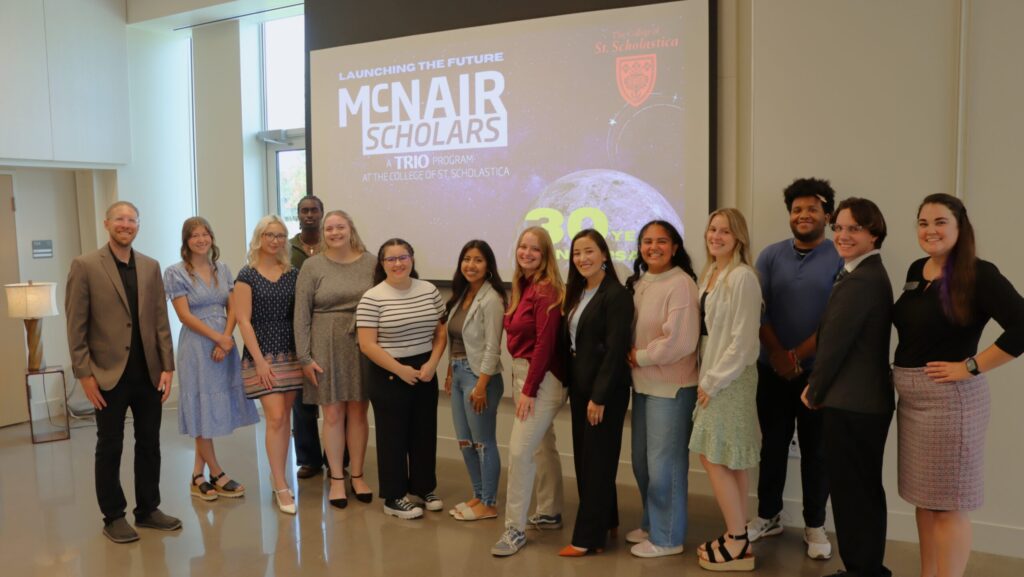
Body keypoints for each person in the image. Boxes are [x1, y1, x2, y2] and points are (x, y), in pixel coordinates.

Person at [892, 194, 1024, 577]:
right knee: (924, 500)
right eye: (923, 223)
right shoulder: (918, 269)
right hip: (912, 403)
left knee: (948, 504)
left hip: (951, 404)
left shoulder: (979, 274)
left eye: (940, 222)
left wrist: (971, 366)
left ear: (960, 227)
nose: (929, 230)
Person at [65, 200, 181, 543]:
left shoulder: (150, 266)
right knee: (110, 445)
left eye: (132, 219)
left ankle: (148, 509)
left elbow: (160, 320)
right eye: (119, 219)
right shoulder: (85, 265)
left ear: (138, 226)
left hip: (148, 374)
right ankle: (113, 516)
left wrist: (167, 366)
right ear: (107, 223)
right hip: (106, 375)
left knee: (149, 443)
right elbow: (76, 325)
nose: (126, 224)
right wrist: (84, 374)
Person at [748, 178, 840, 560]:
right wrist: (778, 355)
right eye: (797, 209)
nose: (804, 215)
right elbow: (757, 309)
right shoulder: (770, 256)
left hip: (820, 374)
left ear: (827, 216)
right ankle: (768, 515)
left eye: (812, 209)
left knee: (818, 452)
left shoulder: (840, 256)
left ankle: (815, 525)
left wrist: (797, 358)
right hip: (773, 371)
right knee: (772, 446)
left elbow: (837, 318)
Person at [802, 197, 894, 577]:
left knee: (854, 493)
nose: (842, 235)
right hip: (861, 402)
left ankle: (863, 570)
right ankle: (864, 568)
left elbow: (834, 343)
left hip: (854, 403)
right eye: (838, 227)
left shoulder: (862, 280)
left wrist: (814, 389)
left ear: (874, 234)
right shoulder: (861, 273)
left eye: (854, 228)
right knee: (861, 492)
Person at [164, 217, 259, 502]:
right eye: (195, 235)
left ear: (212, 238)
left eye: (205, 234)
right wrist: (217, 338)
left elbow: (233, 308)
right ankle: (217, 472)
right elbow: (184, 315)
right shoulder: (175, 272)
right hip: (197, 347)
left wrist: (226, 338)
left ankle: (197, 475)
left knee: (207, 409)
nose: (201, 239)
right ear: (186, 241)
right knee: (201, 407)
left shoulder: (223, 269)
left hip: (223, 345)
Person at [691, 208, 762, 572]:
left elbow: (743, 342)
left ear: (738, 238)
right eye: (712, 229)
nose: (716, 236)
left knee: (714, 456)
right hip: (715, 373)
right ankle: (739, 534)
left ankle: (736, 538)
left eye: (725, 231)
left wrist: (712, 381)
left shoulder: (742, 277)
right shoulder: (712, 274)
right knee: (727, 456)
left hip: (730, 378)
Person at [624, 220, 700, 558]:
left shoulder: (681, 284)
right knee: (642, 463)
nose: (653, 247)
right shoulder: (641, 282)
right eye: (647, 241)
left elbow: (680, 342)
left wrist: (639, 356)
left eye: (661, 241)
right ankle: (652, 522)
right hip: (642, 385)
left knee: (664, 466)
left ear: (675, 247)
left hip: (671, 388)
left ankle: (667, 537)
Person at [357, 238, 447, 520]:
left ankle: (423, 488)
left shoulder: (429, 290)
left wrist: (432, 363)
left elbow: (440, 333)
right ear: (382, 264)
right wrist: (399, 369)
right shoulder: (372, 297)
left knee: (424, 432)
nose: (398, 263)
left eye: (403, 257)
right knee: (392, 436)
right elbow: (367, 345)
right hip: (388, 373)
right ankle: (394, 497)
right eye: (391, 259)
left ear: (412, 259)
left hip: (425, 370)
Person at [558, 230, 634, 557]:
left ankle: (587, 538)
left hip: (605, 391)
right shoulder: (577, 291)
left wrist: (599, 397)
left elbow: (616, 350)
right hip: (581, 386)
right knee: (588, 459)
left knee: (597, 462)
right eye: (576, 253)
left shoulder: (617, 295)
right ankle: (608, 520)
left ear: (604, 254)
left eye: (589, 251)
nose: (582, 258)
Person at [491, 226, 566, 557]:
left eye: (535, 249)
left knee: (520, 451)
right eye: (523, 246)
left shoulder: (546, 291)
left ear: (546, 255)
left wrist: (529, 390)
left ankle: (514, 529)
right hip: (525, 373)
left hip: (541, 378)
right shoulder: (524, 285)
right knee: (541, 446)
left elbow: (545, 346)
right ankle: (550, 511)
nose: (527, 253)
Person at [294, 210, 376, 509]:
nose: (335, 232)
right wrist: (304, 357)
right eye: (329, 228)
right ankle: (338, 478)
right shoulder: (313, 265)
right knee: (332, 414)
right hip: (324, 344)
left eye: (340, 227)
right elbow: (301, 314)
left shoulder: (371, 262)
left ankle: (358, 475)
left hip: (361, 343)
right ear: (323, 233)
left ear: (350, 229)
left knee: (358, 412)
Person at [235, 215, 305, 515]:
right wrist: (260, 362)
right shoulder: (246, 275)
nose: (275, 240)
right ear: (259, 238)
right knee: (275, 417)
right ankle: (280, 484)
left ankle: (279, 474)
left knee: (285, 417)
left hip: (291, 353)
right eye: (269, 235)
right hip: (261, 354)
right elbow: (243, 320)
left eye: (280, 235)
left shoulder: (293, 273)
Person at [443, 240, 508, 522]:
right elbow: (456, 340)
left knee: (483, 442)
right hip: (458, 373)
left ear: (488, 265)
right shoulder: (462, 294)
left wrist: (481, 386)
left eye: (478, 260)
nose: (471, 265)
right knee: (465, 441)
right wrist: (449, 372)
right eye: (467, 259)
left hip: (479, 377)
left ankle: (489, 503)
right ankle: (478, 495)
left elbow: (493, 347)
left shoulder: (492, 298)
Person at [289, 195, 327, 479]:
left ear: (322, 213)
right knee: (302, 400)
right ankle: (309, 459)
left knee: (334, 397)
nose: (309, 215)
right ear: (299, 214)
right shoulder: (287, 248)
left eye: (314, 210)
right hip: (297, 327)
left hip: (328, 327)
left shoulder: (333, 245)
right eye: (304, 210)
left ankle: (339, 459)